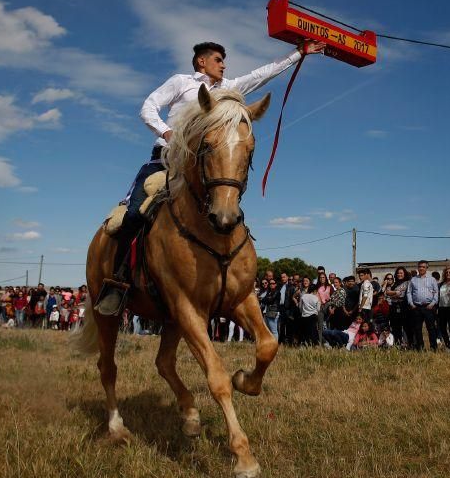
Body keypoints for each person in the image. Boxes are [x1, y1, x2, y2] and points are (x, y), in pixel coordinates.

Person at [95, 39, 326, 315]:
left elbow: (261, 75)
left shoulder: (228, 89)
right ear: (201, 61)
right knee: (133, 214)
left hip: (205, 166)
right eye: (218, 59)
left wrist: (298, 53)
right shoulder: (181, 82)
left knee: (223, 207)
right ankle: (118, 282)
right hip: (167, 162)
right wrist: (167, 132)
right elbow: (148, 106)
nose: (224, 65)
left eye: (224, 61)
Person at [406, 260, 439, 351]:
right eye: (420, 266)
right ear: (418, 267)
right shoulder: (413, 279)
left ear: (427, 268)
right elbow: (409, 293)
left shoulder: (432, 279)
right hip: (417, 307)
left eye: (423, 267)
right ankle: (420, 348)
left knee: (431, 328)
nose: (421, 268)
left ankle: (433, 348)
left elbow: (436, 293)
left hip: (429, 307)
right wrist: (411, 304)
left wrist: (432, 304)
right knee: (417, 329)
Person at [387, 267, 410, 348]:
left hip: (404, 306)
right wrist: (396, 292)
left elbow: (402, 294)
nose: (399, 274)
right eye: (398, 273)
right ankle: (397, 343)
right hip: (393, 307)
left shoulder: (408, 283)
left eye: (401, 273)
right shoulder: (393, 283)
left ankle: (407, 344)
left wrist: (393, 294)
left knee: (406, 326)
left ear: (404, 274)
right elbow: (388, 292)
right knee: (395, 326)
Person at [437, 265, 450, 350]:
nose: (448, 274)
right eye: (446, 272)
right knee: (442, 328)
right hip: (442, 308)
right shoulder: (441, 284)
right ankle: (447, 344)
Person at [298, 279, 320, 346]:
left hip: (304, 316)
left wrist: (303, 312)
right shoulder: (316, 298)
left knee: (305, 332)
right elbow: (318, 309)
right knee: (313, 332)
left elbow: (300, 307)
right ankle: (314, 345)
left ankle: (305, 344)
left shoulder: (303, 296)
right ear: (315, 290)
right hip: (313, 317)